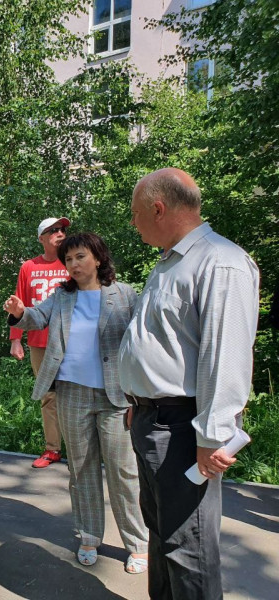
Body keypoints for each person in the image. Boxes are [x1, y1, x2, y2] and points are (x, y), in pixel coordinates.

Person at [120, 168, 260, 599]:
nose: (133, 222)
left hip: (184, 427)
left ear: (158, 208)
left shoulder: (220, 262)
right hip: (153, 418)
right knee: (162, 533)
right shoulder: (171, 262)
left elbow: (226, 356)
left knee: (188, 547)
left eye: (136, 213)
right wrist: (139, 403)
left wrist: (213, 436)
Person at [4, 232, 148, 574]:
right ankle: (89, 536)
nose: (73, 264)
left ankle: (137, 543)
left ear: (97, 258)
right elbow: (36, 317)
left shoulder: (124, 294)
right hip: (71, 394)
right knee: (81, 470)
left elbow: (140, 345)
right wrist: (20, 312)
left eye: (80, 257)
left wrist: (138, 396)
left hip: (115, 397)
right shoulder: (62, 295)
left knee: (123, 472)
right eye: (68, 259)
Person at [10, 217, 71, 468]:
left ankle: (79, 452)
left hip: (71, 341)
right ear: (41, 238)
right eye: (53, 230)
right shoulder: (29, 267)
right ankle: (52, 449)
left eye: (62, 229)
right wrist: (16, 340)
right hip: (39, 342)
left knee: (76, 395)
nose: (60, 233)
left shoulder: (72, 261)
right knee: (48, 396)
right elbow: (19, 303)